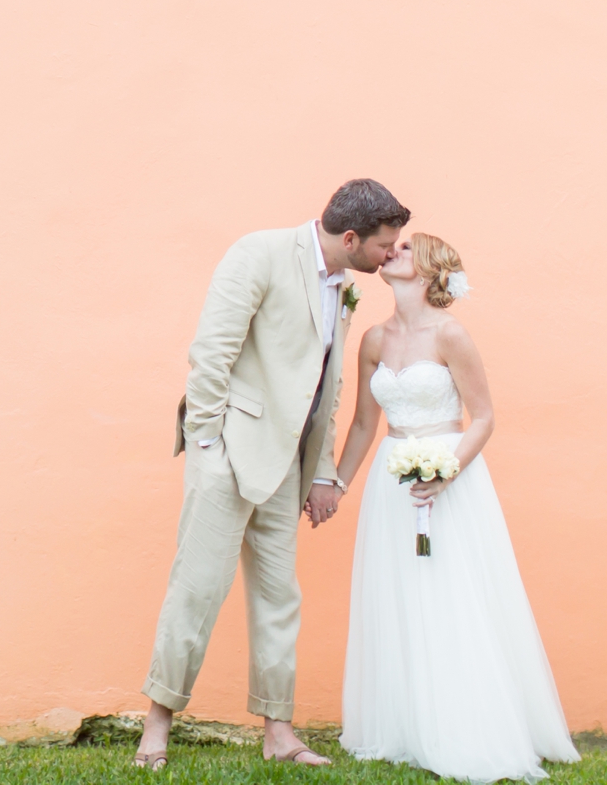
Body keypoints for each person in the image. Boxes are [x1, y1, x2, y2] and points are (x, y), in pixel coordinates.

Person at [133, 179, 411, 770]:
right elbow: (212, 353)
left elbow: (326, 389)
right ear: (352, 237)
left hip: (289, 466)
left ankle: (279, 732)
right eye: (386, 244)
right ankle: (156, 727)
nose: (392, 254)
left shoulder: (341, 287)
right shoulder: (258, 253)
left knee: (279, 597)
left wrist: (322, 472)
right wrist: (207, 445)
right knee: (198, 589)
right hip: (229, 454)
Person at [327, 232, 578, 782]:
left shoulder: (451, 335)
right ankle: (406, 723)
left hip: (448, 476)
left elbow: (483, 417)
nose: (390, 250)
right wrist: (337, 486)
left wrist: (446, 473)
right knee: (397, 595)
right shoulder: (372, 338)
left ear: (429, 269)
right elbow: (365, 424)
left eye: (404, 248)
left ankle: (467, 723)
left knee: (450, 592)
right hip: (390, 486)